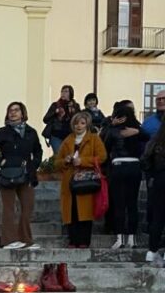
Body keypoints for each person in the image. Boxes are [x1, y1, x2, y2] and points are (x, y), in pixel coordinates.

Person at [0, 102, 43, 249]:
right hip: (7, 174)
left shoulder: (31, 132)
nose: (13, 113)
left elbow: (38, 151)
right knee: (9, 208)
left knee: (27, 207)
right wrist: (1, 162)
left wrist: (33, 165)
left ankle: (26, 240)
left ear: (23, 113)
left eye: (16, 110)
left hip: (26, 174)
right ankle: (8, 240)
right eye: (10, 110)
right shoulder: (2, 132)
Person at [57, 110, 107, 248]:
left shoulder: (94, 139)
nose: (79, 126)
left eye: (82, 123)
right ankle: (72, 240)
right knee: (71, 211)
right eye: (76, 123)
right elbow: (57, 162)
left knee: (84, 212)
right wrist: (65, 160)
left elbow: (102, 157)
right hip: (70, 181)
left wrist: (83, 161)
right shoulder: (68, 140)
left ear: (87, 125)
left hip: (86, 180)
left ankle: (84, 240)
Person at [103, 103, 147, 249]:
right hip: (134, 166)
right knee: (132, 204)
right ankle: (132, 239)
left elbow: (105, 146)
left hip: (118, 166)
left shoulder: (114, 130)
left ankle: (120, 238)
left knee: (119, 205)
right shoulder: (137, 129)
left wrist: (111, 125)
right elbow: (148, 137)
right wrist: (137, 132)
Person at [141, 121, 165, 263]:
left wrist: (152, 175)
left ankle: (152, 251)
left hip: (159, 180)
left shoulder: (155, 141)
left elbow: (145, 161)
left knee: (157, 217)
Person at [42, 85, 80, 155]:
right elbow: (45, 119)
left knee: (70, 156)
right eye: (62, 91)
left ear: (71, 93)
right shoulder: (55, 105)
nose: (63, 93)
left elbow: (79, 120)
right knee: (59, 155)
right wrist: (55, 112)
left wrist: (73, 111)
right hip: (56, 135)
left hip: (70, 135)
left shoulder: (75, 106)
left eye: (66, 91)